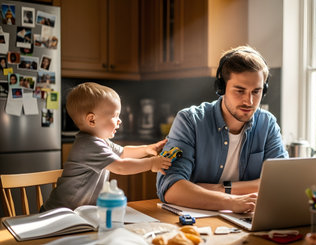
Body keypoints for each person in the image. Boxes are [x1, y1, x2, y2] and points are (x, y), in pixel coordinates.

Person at [156, 46, 288, 213]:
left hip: (246, 216)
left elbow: (280, 183)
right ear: (221, 88)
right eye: (240, 91)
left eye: (256, 91)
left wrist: (222, 188)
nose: (249, 101)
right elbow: (170, 188)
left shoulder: (267, 124)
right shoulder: (190, 121)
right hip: (194, 221)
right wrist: (231, 202)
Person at [42, 82, 172, 211]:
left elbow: (124, 152)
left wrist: (147, 149)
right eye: (115, 116)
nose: (119, 120)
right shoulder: (89, 145)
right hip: (58, 213)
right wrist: (151, 163)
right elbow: (120, 166)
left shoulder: (99, 141)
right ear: (92, 120)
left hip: (77, 213)